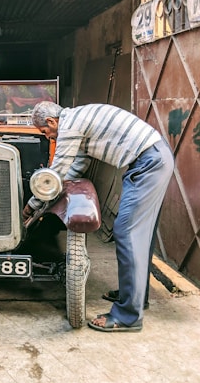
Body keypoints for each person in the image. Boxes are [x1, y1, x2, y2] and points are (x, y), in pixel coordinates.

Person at [22, 101, 174, 332]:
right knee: (140, 233)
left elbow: (57, 172)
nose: (48, 138)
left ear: (52, 122)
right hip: (153, 158)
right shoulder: (79, 121)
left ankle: (128, 316)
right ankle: (133, 297)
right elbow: (75, 169)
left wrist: (32, 205)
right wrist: (49, 199)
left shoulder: (70, 125)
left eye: (46, 132)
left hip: (149, 163)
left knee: (127, 232)